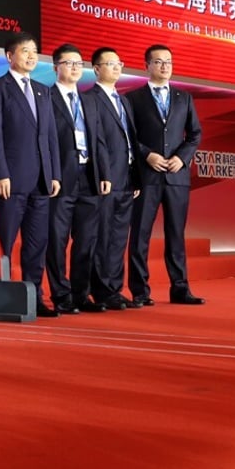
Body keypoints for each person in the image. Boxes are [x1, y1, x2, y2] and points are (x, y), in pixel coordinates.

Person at [0, 31, 61, 318]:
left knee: (37, 244)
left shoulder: (43, 90)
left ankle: (34, 297)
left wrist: (54, 174)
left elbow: (50, 136)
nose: (31, 55)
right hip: (11, 181)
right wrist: (0, 173)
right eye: (25, 50)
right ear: (9, 56)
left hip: (41, 181)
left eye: (34, 50)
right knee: (4, 241)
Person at [126, 44, 204, 305]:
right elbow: (128, 136)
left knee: (175, 235)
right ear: (147, 65)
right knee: (139, 235)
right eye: (158, 62)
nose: (164, 66)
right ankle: (140, 291)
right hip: (146, 176)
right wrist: (147, 154)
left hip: (176, 178)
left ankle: (180, 288)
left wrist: (181, 159)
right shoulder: (133, 98)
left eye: (168, 61)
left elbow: (194, 135)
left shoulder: (184, 98)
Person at [45, 44, 111, 314]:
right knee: (57, 239)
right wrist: (50, 174)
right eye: (68, 63)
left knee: (86, 240)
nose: (74, 67)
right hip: (61, 177)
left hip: (89, 176)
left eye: (78, 63)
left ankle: (80, 295)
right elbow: (44, 142)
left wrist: (104, 173)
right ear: (55, 67)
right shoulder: (45, 97)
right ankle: (61, 295)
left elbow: (99, 139)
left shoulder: (90, 101)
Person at [83, 48, 140, 311]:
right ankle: (101, 289)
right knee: (102, 235)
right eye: (110, 64)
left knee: (119, 237)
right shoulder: (90, 99)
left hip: (127, 178)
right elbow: (97, 142)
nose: (117, 68)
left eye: (120, 64)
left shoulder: (124, 100)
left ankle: (115, 289)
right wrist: (104, 174)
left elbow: (130, 141)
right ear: (96, 69)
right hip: (106, 179)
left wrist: (135, 178)